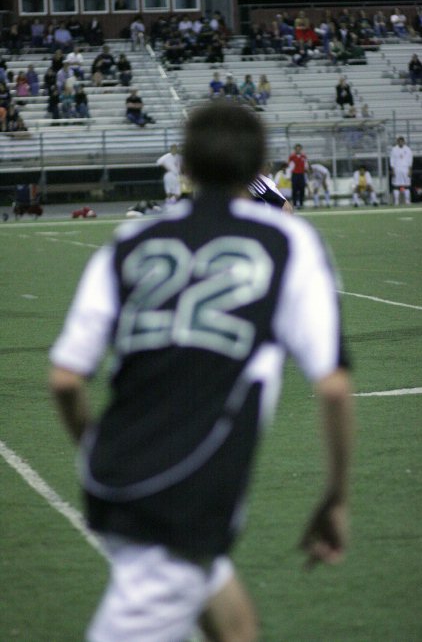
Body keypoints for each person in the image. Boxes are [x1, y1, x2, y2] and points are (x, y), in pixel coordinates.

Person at [49, 100, 354, 642]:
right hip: (188, 480)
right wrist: (334, 497)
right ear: (260, 164)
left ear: (183, 166)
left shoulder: (131, 240)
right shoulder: (286, 241)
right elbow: (332, 385)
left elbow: (67, 378)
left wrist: (94, 447)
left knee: (231, 622)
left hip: (111, 470)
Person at [390, 136, 413, 205]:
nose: (400, 143)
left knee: (406, 185)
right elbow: (392, 160)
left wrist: (409, 170)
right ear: (397, 142)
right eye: (399, 141)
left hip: (405, 169)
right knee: (396, 186)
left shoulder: (408, 149)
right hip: (397, 169)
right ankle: (396, 201)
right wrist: (393, 169)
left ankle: (407, 201)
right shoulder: (394, 149)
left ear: (404, 142)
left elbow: (410, 160)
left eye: (402, 141)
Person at [288, 143, 309, 208]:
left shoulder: (304, 156)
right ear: (295, 149)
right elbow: (289, 166)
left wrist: (307, 170)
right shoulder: (292, 157)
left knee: (302, 189)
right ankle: (294, 204)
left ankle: (301, 203)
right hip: (294, 174)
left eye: (299, 149)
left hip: (301, 174)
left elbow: (306, 165)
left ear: (300, 149)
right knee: (294, 189)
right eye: (297, 149)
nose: (298, 150)